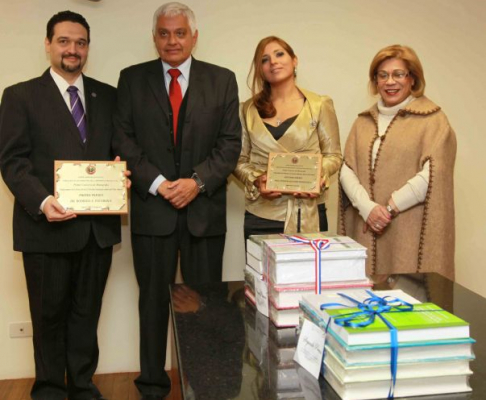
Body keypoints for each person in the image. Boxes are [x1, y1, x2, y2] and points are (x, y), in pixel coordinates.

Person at [112, 3, 241, 399]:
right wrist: (158, 183)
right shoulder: (131, 80)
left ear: (194, 36)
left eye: (180, 33)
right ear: (155, 38)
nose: (172, 40)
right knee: (151, 301)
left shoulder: (222, 80)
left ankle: (205, 382)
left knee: (204, 303)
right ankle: (152, 385)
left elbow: (230, 144)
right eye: (164, 33)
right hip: (153, 213)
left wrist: (196, 183)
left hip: (204, 213)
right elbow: (122, 140)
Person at [0, 11, 122, 400]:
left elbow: (117, 152)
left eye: (81, 42)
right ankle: (51, 390)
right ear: (48, 44)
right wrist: (43, 200)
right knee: (48, 318)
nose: (73, 49)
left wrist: (121, 171)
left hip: (96, 231)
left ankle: (83, 387)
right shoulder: (20, 96)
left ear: (88, 48)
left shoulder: (108, 95)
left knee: (87, 316)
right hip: (46, 229)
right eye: (65, 41)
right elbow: (12, 160)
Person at [339, 44, 456, 280]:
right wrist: (368, 209)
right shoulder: (363, 122)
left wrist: (390, 208)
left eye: (398, 74)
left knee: (409, 303)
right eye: (382, 75)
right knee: (365, 303)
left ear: (412, 78)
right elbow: (346, 170)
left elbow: (433, 174)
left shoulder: (434, 121)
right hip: (366, 225)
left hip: (409, 230)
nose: (390, 82)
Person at [234, 36, 342, 239]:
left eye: (279, 54)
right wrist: (257, 180)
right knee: (260, 272)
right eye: (264, 59)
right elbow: (238, 160)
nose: (273, 62)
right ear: (260, 69)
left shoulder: (319, 105)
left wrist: (317, 176)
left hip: (308, 214)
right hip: (260, 215)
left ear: (295, 60)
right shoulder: (246, 110)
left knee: (308, 271)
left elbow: (334, 156)